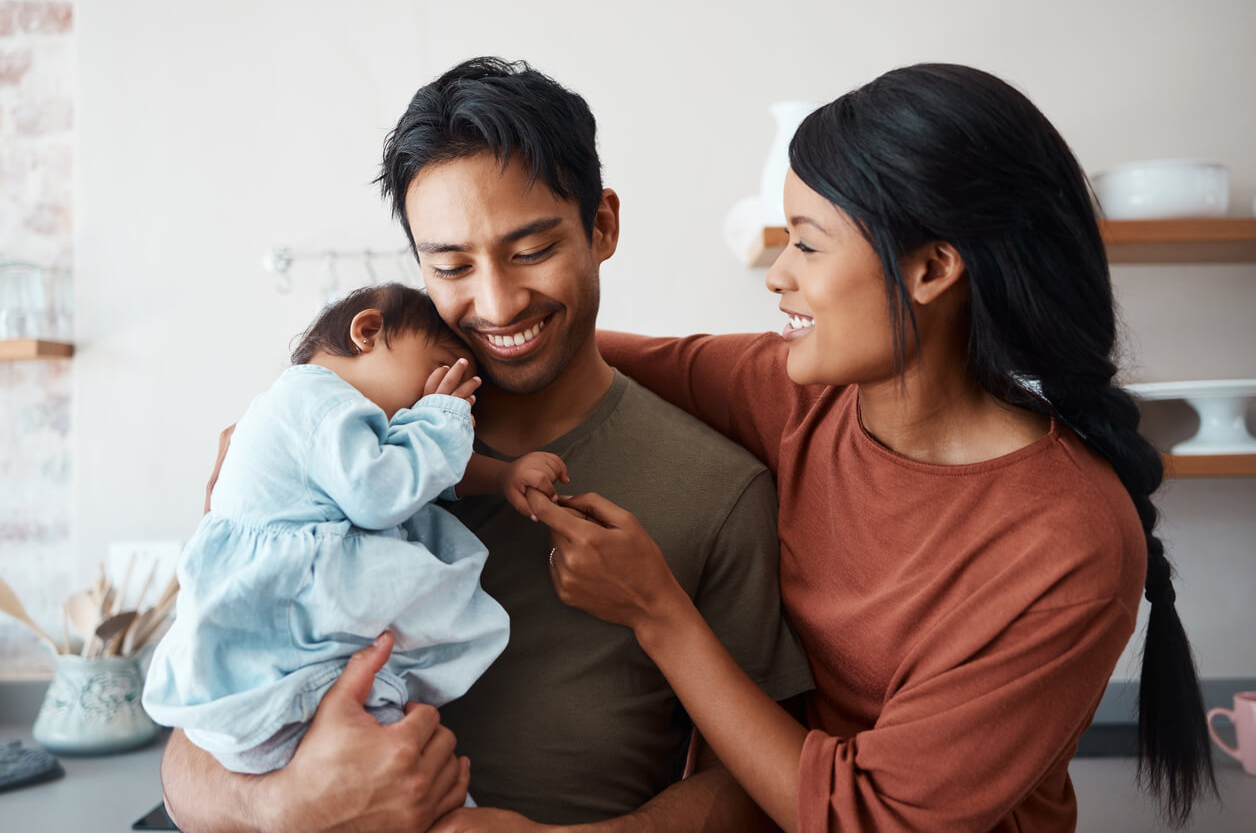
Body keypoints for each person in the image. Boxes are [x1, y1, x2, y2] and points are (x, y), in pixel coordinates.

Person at [531, 63, 1217, 831]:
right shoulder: (800, 396)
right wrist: (427, 331)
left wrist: (657, 612)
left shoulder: (1070, 540)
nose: (778, 275)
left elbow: (871, 817)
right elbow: (586, 356)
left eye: (808, 246)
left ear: (931, 268)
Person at [159, 57, 813, 831]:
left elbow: (762, 791)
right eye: (452, 265)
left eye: (532, 250)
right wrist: (282, 805)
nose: (497, 303)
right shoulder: (321, 447)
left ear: (601, 225)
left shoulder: (715, 490)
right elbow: (193, 737)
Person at [144, 282, 568, 778]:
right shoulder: (317, 401)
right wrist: (439, 420)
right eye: (441, 372)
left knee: (396, 776)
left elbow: (421, 474)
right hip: (296, 661)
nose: (446, 395)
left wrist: (500, 475)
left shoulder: (315, 417)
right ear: (368, 332)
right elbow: (383, 489)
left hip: (280, 676)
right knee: (403, 780)